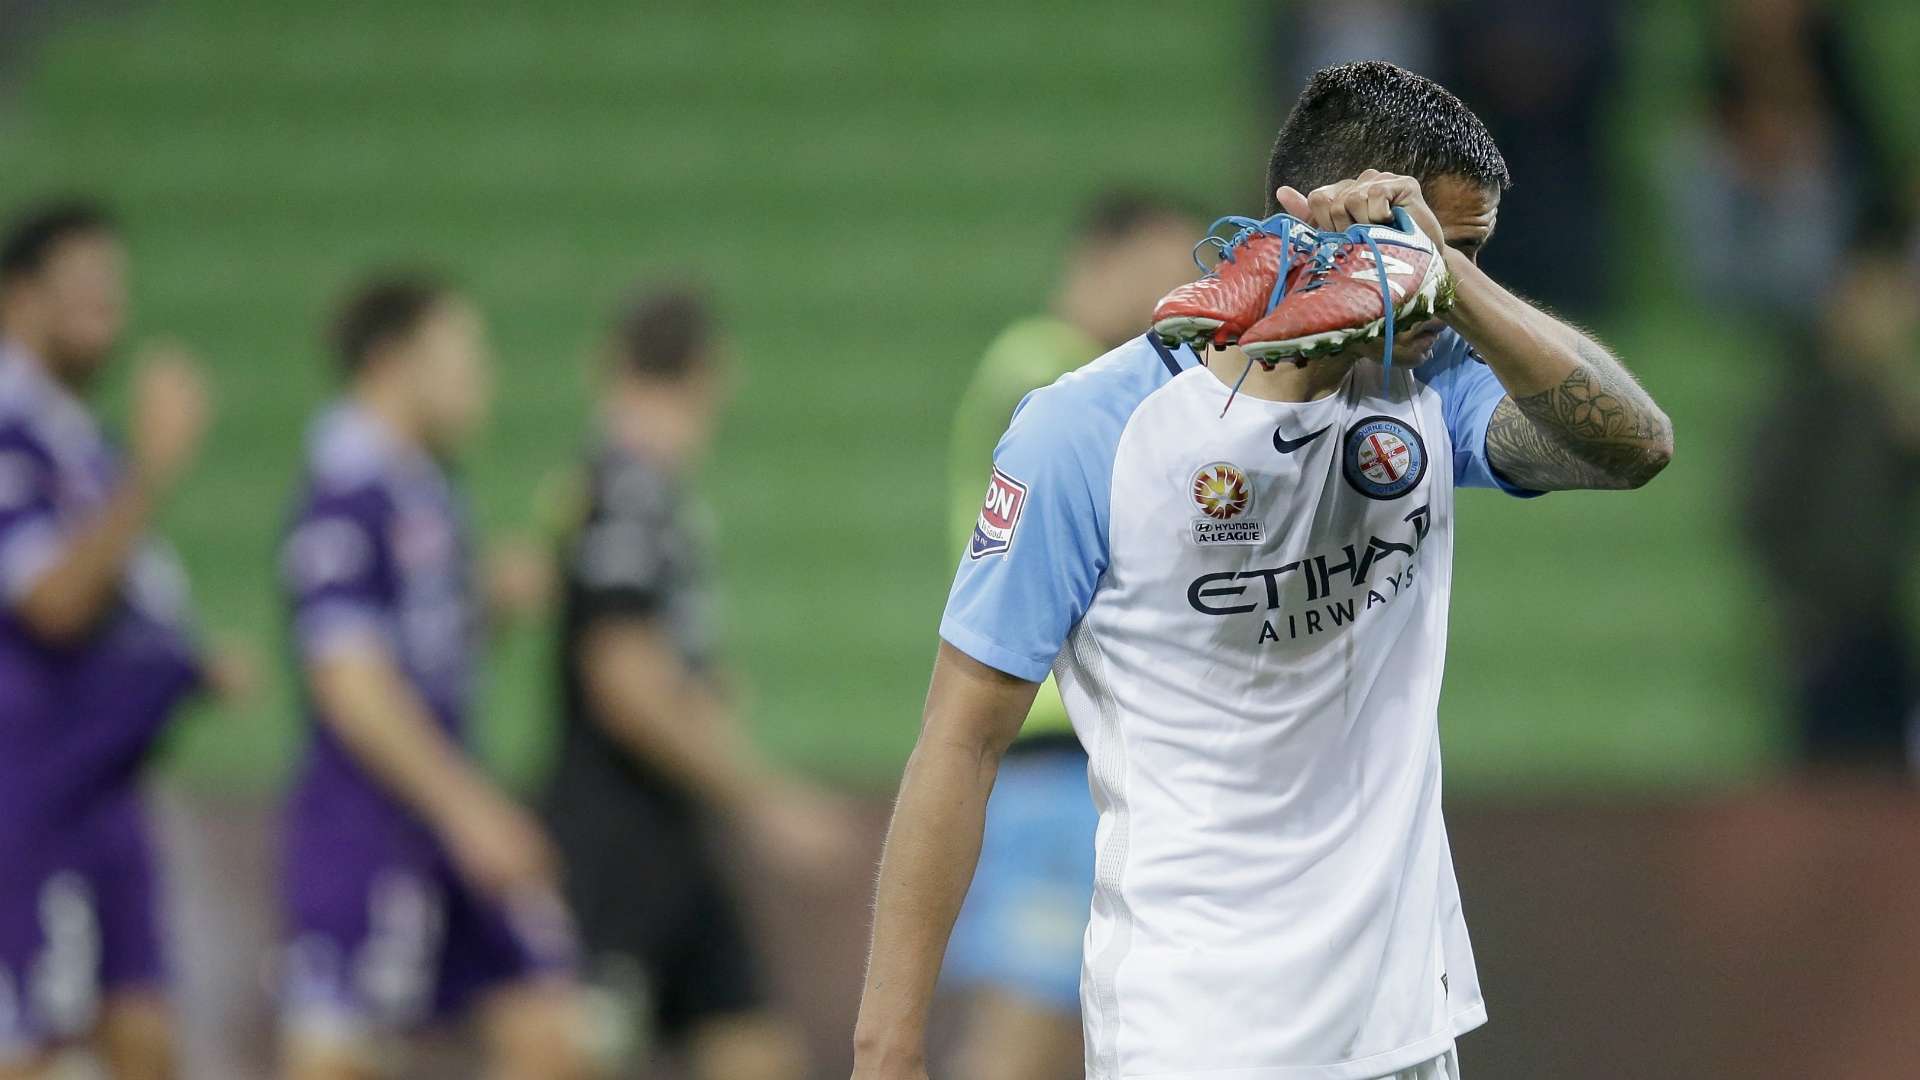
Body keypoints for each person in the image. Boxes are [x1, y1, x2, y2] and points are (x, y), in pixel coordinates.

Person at [851, 60, 1673, 1080]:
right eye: (1425, 244)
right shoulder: (1087, 430)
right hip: (1198, 1033)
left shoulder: (1430, 385)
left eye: (1462, 253)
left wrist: (1453, 284)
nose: (1439, 283)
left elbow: (1635, 446)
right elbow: (961, 738)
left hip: (1405, 1030)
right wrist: (886, 1046)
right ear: (1312, 215)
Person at [276, 275, 593, 1080]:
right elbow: (350, 685)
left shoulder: (426, 488)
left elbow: (417, 648)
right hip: (373, 820)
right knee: (339, 1055)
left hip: (443, 809)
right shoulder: (345, 494)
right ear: (392, 362)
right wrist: (471, 809)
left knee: (550, 1028)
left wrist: (489, 601)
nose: (479, 378)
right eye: (460, 357)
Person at [540, 286, 851, 1080]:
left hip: (676, 836)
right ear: (712, 373)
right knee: (563, 1056)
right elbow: (625, 680)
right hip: (618, 842)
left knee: (754, 1051)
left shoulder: (636, 492)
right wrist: (763, 797)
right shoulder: (627, 492)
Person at [941, 192, 1197, 1080]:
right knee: (1018, 1040)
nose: (1180, 291)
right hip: (1050, 749)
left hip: (1106, 762)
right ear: (1103, 258)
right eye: (1165, 264)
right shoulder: (1044, 364)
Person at [0, 201, 216, 1080]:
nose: (109, 310)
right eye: (84, 289)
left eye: (114, 291)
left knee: (145, 1044)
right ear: (18, 298)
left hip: (102, 785)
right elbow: (51, 601)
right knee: (34, 1049)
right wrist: (155, 465)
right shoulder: (11, 430)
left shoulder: (76, 437)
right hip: (29, 787)